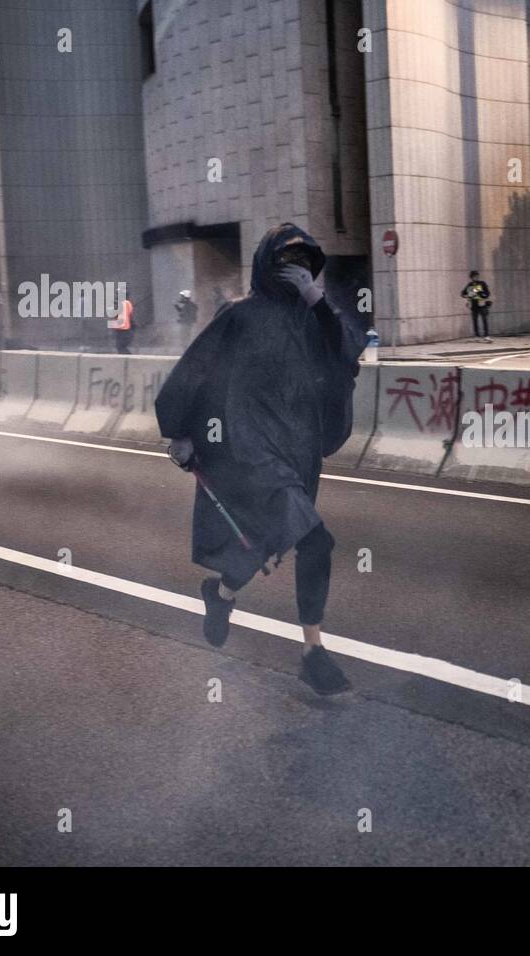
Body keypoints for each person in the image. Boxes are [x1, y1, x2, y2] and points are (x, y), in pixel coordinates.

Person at [155, 223, 369, 695]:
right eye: (285, 261)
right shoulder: (241, 316)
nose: (294, 270)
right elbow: (196, 369)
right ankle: (313, 652)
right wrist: (180, 431)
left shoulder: (314, 317)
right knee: (316, 542)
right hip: (249, 451)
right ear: (266, 264)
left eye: (303, 262)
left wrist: (318, 300)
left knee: (263, 545)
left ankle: (221, 593)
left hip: (299, 453)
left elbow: (350, 354)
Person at [461, 270, 492, 342]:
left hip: (482, 304)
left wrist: (477, 293)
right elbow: (463, 293)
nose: (476, 277)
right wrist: (470, 294)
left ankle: (486, 335)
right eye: (474, 276)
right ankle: (477, 336)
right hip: (474, 305)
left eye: (477, 276)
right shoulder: (470, 285)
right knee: (475, 320)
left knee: (484, 320)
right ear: (471, 277)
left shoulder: (482, 283)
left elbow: (487, 293)